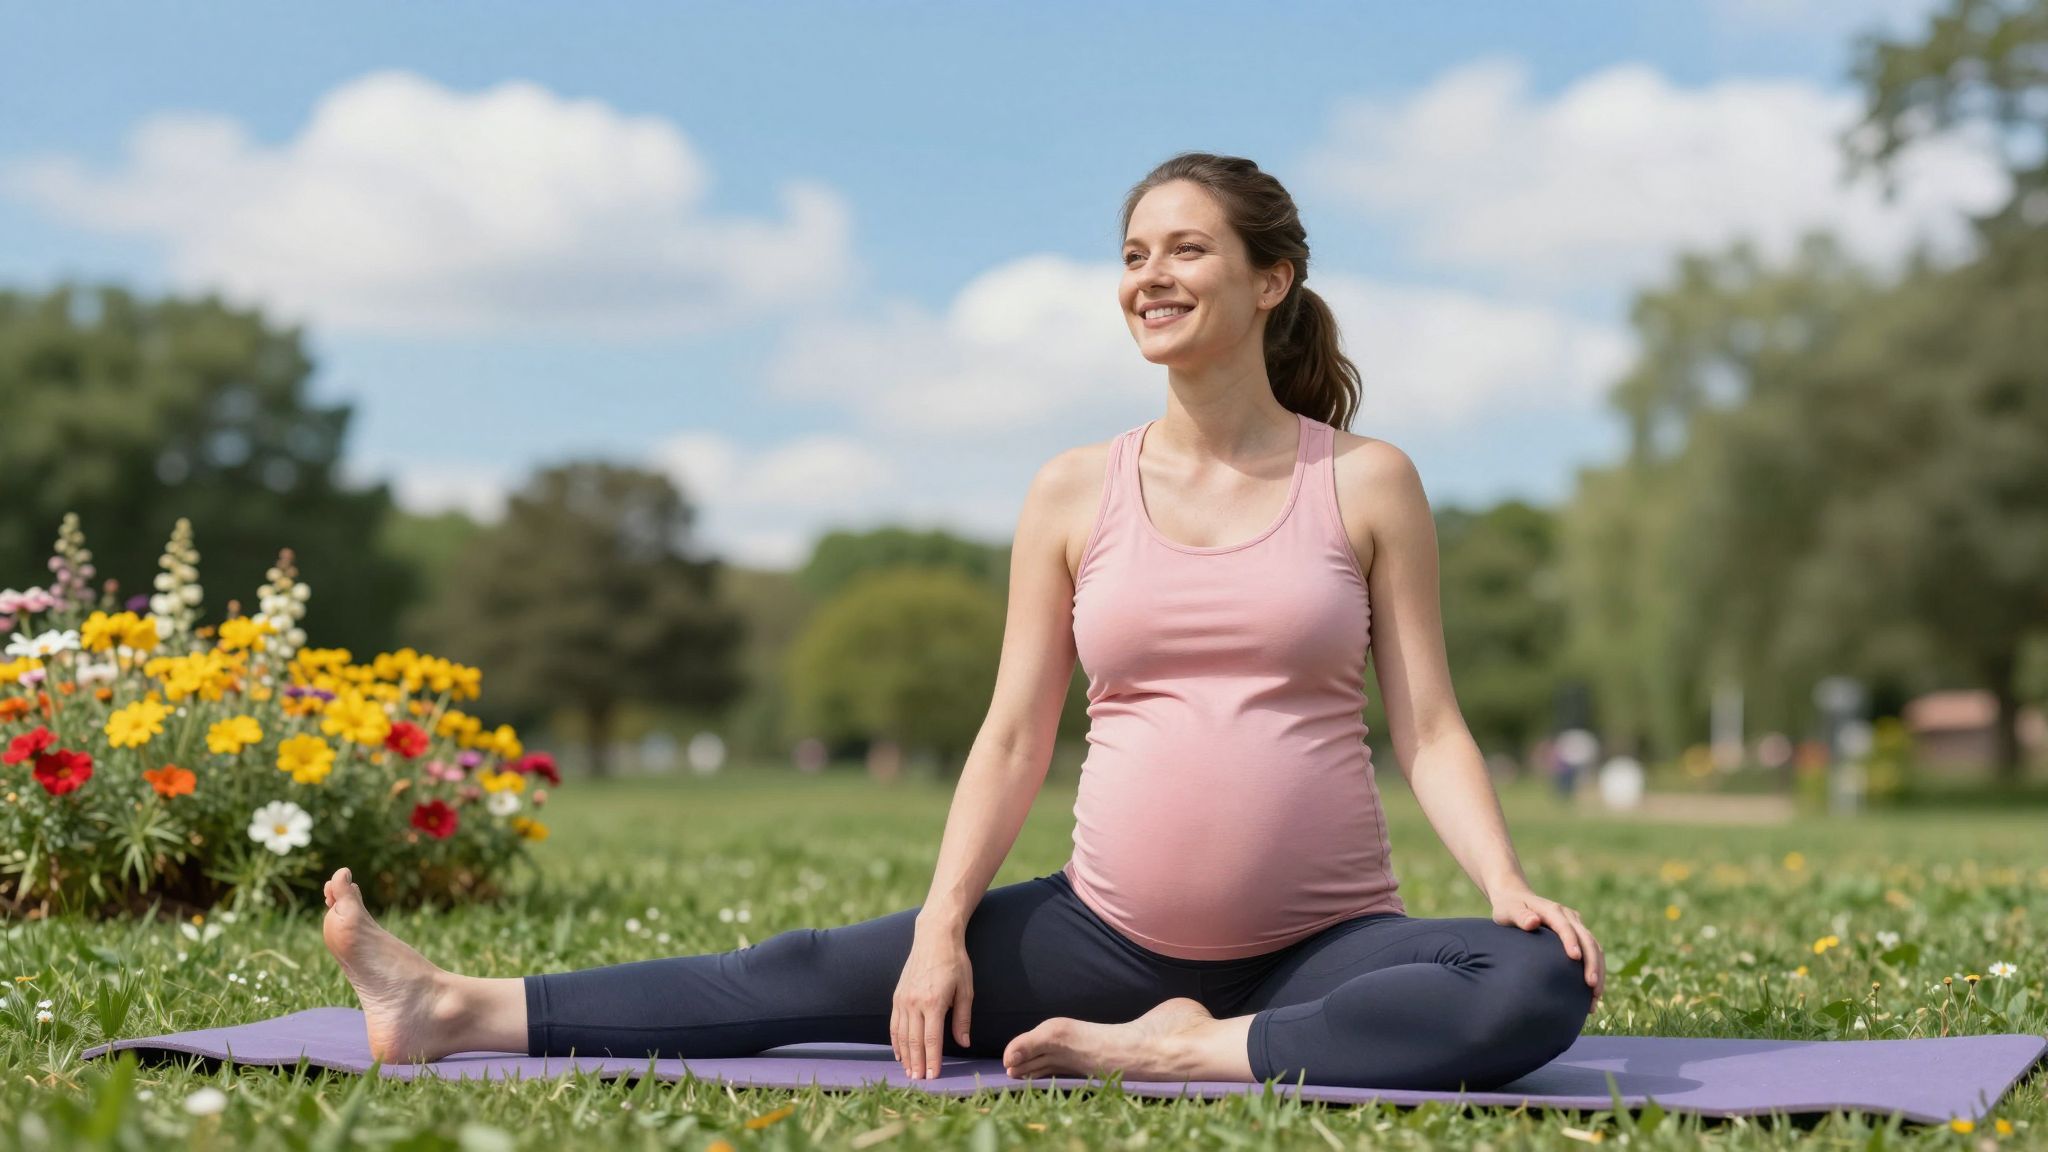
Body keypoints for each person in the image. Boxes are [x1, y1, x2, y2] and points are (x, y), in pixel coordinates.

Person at [319, 151, 1605, 1092]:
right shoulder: (1069, 490)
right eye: (1133, 253)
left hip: (1325, 948)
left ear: (1271, 279)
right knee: (810, 972)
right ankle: (449, 1007)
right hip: (1102, 935)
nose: (1150, 275)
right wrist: (940, 930)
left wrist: (1503, 885)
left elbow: (1429, 727)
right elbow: (1008, 739)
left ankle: (1192, 1052)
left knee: (1537, 981)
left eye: (1187, 248)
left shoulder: (1364, 479)